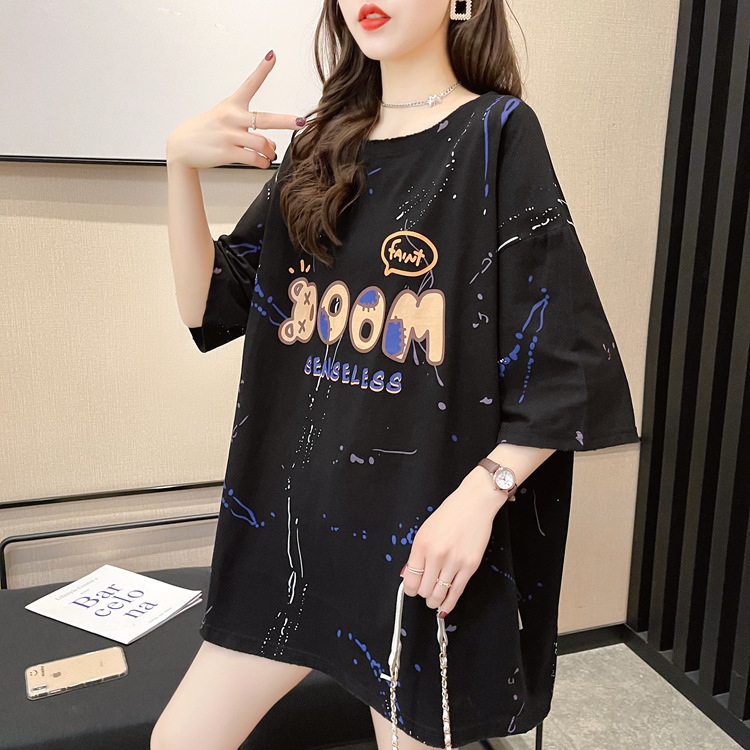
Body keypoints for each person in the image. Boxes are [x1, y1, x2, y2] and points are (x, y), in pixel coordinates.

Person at [153, 0, 640, 748]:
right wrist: (179, 167)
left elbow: (563, 360)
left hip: (416, 544)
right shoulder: (319, 145)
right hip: (291, 534)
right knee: (180, 740)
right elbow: (211, 304)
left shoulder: (495, 134)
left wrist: (484, 495)